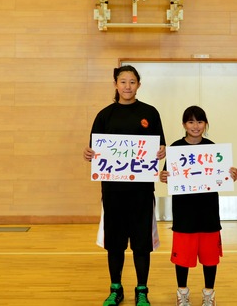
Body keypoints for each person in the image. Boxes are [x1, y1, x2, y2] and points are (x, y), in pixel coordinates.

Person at [83, 65, 166, 306]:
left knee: (142, 243)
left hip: (141, 191)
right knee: (115, 242)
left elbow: (161, 146)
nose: (127, 86)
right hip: (113, 191)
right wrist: (88, 153)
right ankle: (115, 289)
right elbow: (94, 149)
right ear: (115, 85)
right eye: (123, 81)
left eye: (132, 82)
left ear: (138, 85)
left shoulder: (150, 113)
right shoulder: (105, 115)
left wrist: (161, 151)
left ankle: (142, 291)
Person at [159, 105, 237, 306]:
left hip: (208, 213)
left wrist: (232, 176)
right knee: (182, 258)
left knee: (210, 258)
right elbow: (167, 176)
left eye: (200, 121)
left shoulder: (213, 148)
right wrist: (163, 176)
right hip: (184, 213)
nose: (195, 126)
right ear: (184, 125)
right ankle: (182, 293)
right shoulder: (175, 148)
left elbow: (222, 177)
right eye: (191, 121)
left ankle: (209, 294)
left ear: (205, 124)